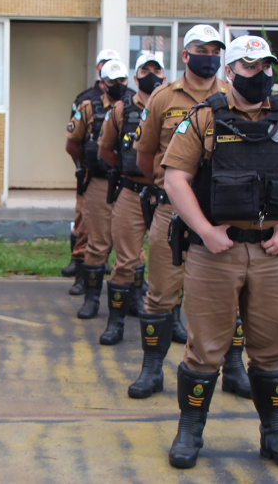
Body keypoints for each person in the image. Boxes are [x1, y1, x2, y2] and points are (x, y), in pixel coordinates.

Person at [162, 35, 278, 470]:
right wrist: (204, 229)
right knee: (205, 350)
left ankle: (274, 433)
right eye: (249, 67)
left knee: (271, 348)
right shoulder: (202, 119)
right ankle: (189, 432)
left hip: (274, 253)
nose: (259, 75)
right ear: (230, 71)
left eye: (265, 66)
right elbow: (175, 178)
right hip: (215, 252)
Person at [128, 25, 251, 402]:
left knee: (231, 296)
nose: (209, 55)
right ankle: (151, 369)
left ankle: (232, 367)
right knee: (161, 294)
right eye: (201, 48)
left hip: (223, 217)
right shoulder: (163, 98)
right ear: (185, 55)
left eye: (216, 49)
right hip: (173, 215)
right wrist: (174, 192)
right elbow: (146, 157)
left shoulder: (235, 96)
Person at [95, 53, 165, 345]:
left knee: (171, 263)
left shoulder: (174, 106)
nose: (151, 74)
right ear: (136, 77)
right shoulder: (121, 109)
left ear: (163, 74)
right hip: (131, 193)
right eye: (145, 70)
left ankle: (168, 322)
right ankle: (116, 323)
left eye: (156, 70)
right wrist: (131, 171)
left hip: (167, 196)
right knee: (125, 262)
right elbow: (105, 151)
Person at [64, 49, 132, 295]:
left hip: (129, 182)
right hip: (98, 179)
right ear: (102, 81)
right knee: (93, 237)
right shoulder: (87, 103)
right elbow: (72, 144)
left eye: (122, 80)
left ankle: (133, 291)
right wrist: (91, 165)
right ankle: (87, 287)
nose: (118, 85)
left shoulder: (136, 104)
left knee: (132, 245)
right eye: (112, 81)